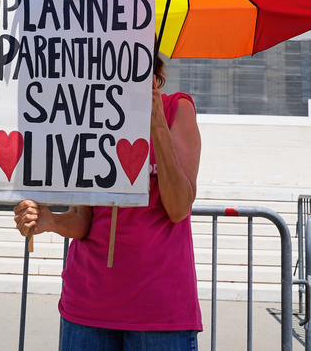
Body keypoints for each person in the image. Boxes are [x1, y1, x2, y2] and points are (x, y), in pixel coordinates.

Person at [13, 54, 202, 349]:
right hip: (87, 307)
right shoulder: (89, 114)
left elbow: (178, 209)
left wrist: (158, 127)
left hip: (159, 309)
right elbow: (83, 220)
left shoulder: (177, 108)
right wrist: (51, 221)